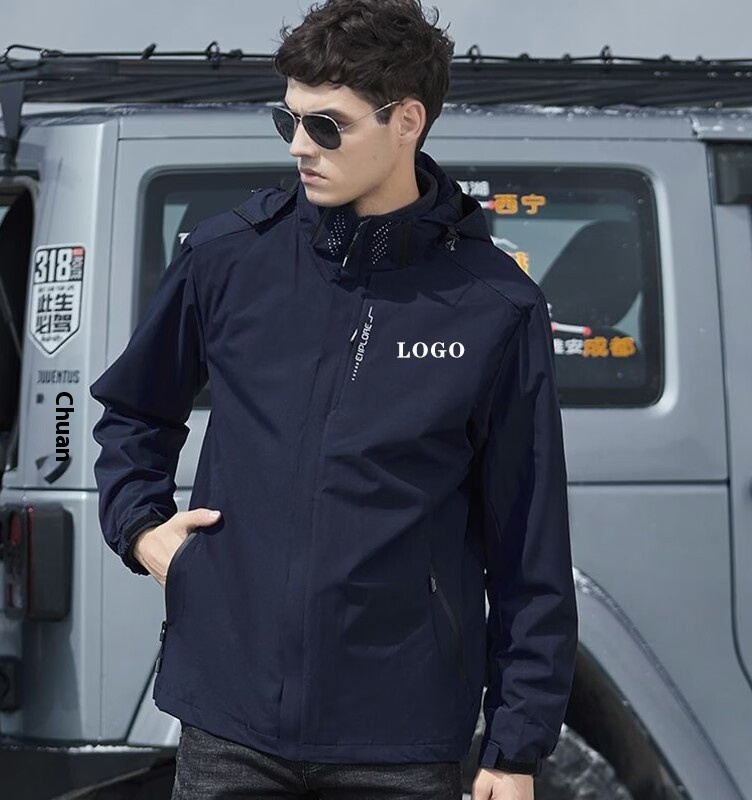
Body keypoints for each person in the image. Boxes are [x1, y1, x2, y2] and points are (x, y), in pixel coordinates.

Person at [90, 1, 578, 797]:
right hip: (229, 720)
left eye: (327, 126)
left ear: (407, 121)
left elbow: (530, 541)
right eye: (287, 118)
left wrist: (515, 748)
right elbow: (134, 412)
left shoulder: (495, 306)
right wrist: (142, 528)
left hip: (400, 737)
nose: (298, 146)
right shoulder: (227, 258)